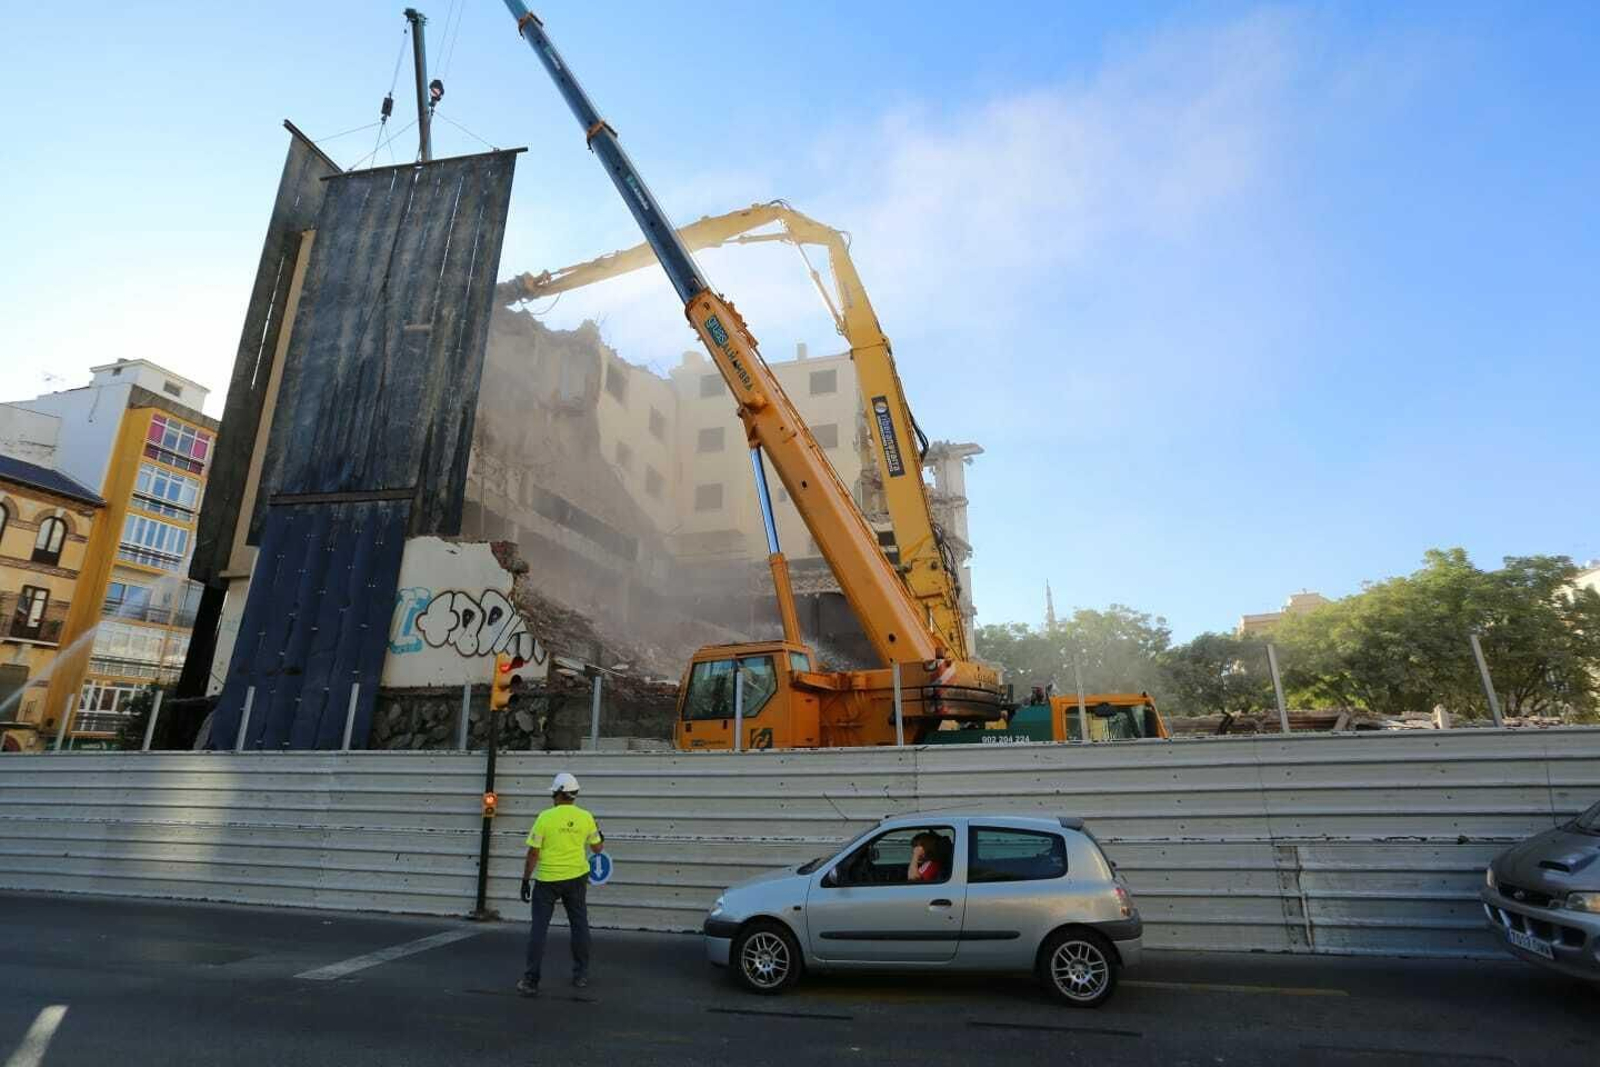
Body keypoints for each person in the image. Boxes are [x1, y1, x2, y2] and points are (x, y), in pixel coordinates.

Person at [517, 772, 605, 997]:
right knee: (579, 925)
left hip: (547, 880)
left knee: (539, 928)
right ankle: (581, 975)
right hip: (576, 878)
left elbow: (533, 852)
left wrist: (526, 879)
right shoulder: (586, 817)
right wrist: (598, 829)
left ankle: (531, 980)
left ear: (557, 793)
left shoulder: (545, 817)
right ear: (574, 794)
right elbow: (597, 848)